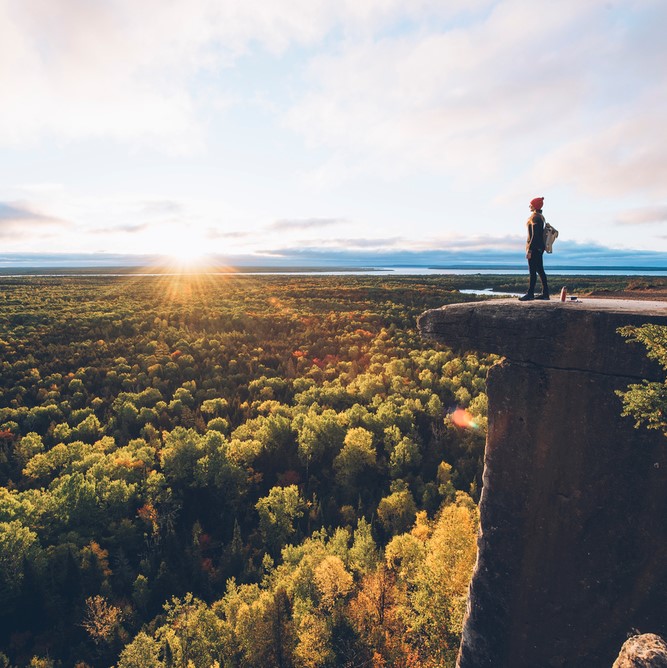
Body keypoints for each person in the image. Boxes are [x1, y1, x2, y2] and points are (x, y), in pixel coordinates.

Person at [519, 196, 549, 301]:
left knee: (532, 271)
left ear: (534, 206)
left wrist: (530, 250)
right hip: (540, 248)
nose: (529, 206)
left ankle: (530, 293)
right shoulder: (541, 217)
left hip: (535, 248)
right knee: (540, 270)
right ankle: (545, 294)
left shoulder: (535, 217)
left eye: (531, 204)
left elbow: (534, 236)